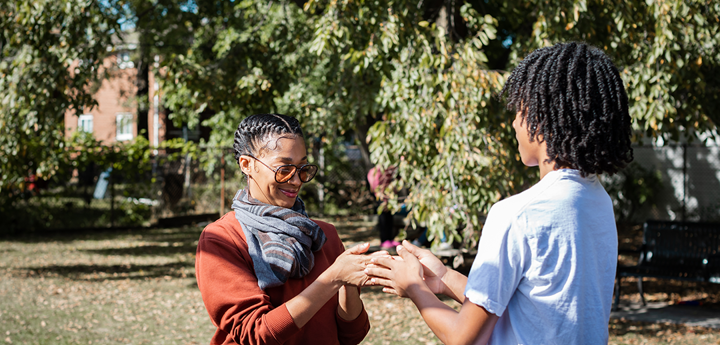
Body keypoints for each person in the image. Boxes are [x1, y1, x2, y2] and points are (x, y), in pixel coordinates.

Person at [365, 42, 633, 344]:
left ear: (539, 117)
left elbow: (463, 337)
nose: (514, 123)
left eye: (519, 111)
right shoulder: (598, 201)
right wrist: (442, 278)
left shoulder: (518, 214)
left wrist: (415, 287)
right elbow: (531, 305)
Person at [195, 114, 378, 345]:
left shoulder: (324, 236)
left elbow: (350, 336)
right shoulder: (222, 238)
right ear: (247, 164)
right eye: (284, 168)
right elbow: (256, 333)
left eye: (302, 168)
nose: (296, 180)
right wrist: (333, 278)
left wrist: (349, 284)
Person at [367, 166, 401, 249]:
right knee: (383, 216)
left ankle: (390, 239)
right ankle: (384, 240)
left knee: (389, 215)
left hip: (387, 194)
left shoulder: (391, 169)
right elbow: (375, 184)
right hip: (379, 193)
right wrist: (381, 197)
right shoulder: (378, 170)